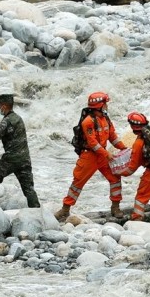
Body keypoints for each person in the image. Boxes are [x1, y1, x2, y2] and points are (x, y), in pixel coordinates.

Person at [56, 91, 126, 222]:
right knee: (78, 183)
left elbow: (113, 137)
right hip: (89, 157)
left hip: (103, 156)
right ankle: (65, 209)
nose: (107, 106)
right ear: (99, 105)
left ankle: (115, 207)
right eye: (105, 103)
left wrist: (124, 148)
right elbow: (92, 143)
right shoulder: (88, 122)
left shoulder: (106, 119)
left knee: (115, 178)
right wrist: (107, 154)